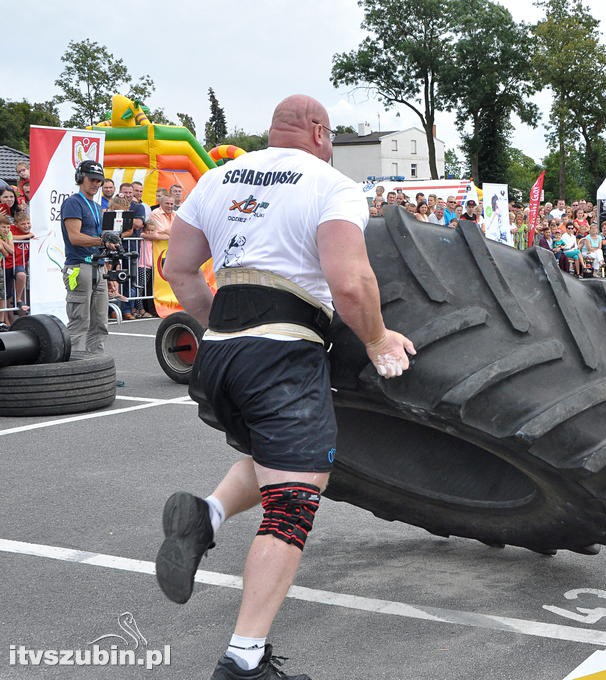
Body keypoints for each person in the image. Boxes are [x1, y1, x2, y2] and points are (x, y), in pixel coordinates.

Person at [160, 94, 415, 680]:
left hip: (219, 353)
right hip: (282, 351)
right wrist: (378, 341)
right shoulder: (331, 183)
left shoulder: (218, 179)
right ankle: (244, 660)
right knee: (293, 504)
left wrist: (222, 332)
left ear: (273, 131)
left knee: (273, 460)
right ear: (321, 132)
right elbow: (350, 283)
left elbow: (178, 270)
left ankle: (208, 514)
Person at [59, 160, 120, 354]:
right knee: (79, 322)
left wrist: (106, 267)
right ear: (80, 178)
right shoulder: (73, 203)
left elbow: (98, 239)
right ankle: (74, 371)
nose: (96, 184)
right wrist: (102, 241)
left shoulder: (94, 206)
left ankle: (96, 370)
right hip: (79, 267)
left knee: (100, 323)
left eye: (99, 181)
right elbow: (75, 237)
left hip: (97, 267)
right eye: (92, 179)